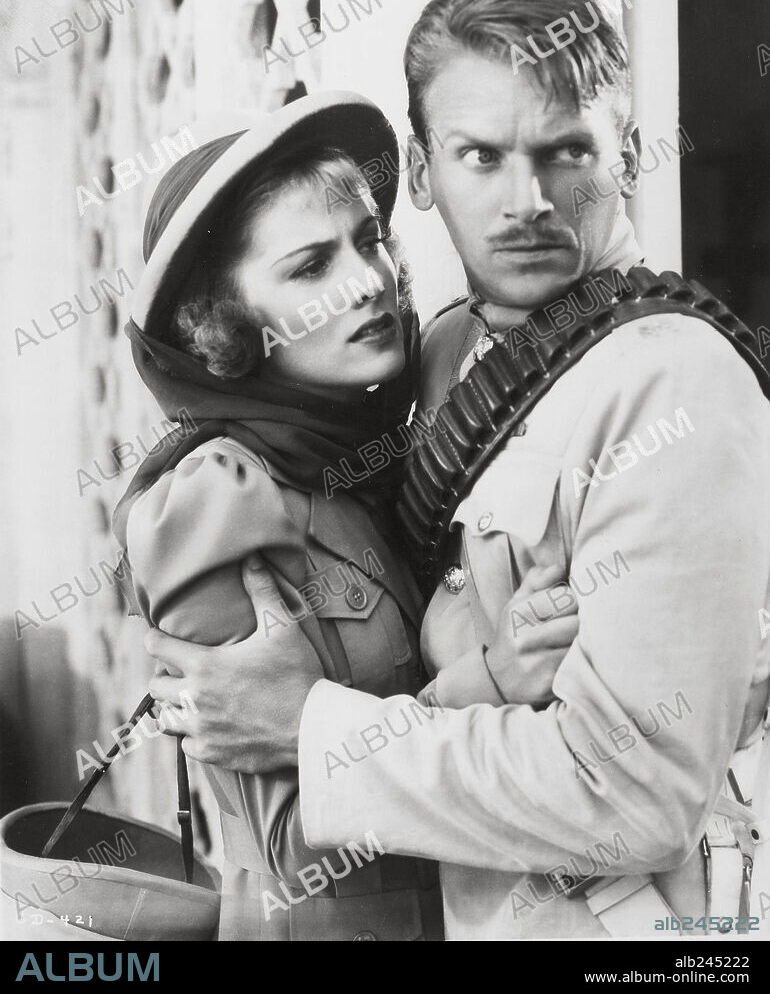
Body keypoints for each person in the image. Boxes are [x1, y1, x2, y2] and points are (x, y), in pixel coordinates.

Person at [144, 0, 770, 939]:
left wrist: (314, 731)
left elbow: (638, 798)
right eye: (481, 156)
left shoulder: (674, 381)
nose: (528, 202)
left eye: (568, 152)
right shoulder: (437, 356)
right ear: (425, 172)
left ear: (627, 158)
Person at [114, 91, 577, 941]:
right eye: (309, 267)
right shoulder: (220, 501)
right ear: (225, 326)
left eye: (368, 242)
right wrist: (494, 681)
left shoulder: (368, 454)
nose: (367, 283)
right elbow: (299, 844)